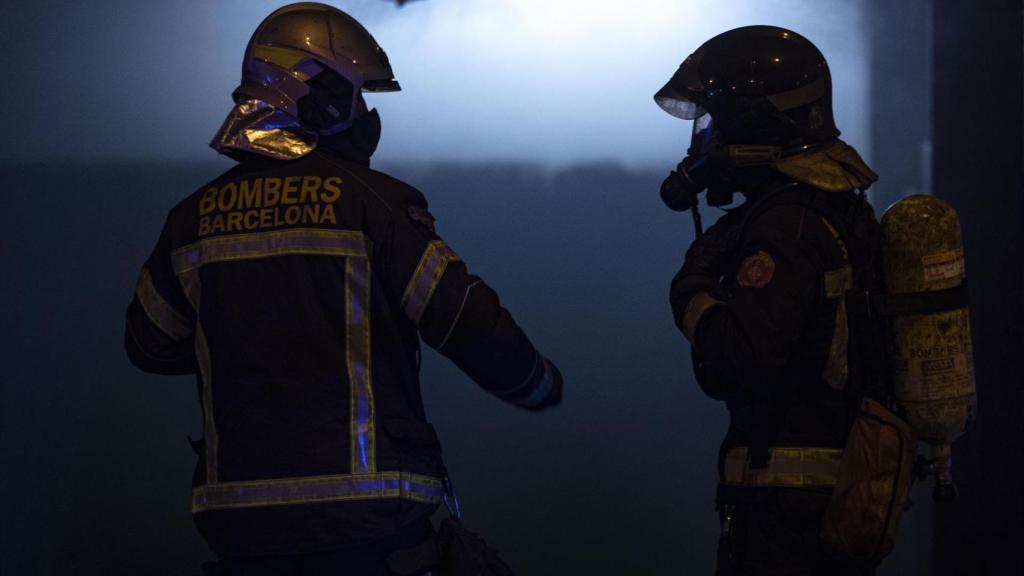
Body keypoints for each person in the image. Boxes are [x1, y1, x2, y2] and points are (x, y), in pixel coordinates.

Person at [124, 3, 562, 574]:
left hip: (241, 536)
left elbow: (148, 344)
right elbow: (464, 322)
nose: (365, 115)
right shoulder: (373, 203)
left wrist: (249, 334)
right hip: (371, 529)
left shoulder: (190, 221)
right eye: (357, 96)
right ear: (316, 93)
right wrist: (536, 383)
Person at [655, 26, 886, 575]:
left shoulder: (786, 227)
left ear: (756, 122)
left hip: (787, 524)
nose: (706, 142)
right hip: (814, 514)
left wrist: (690, 289)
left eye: (715, 121)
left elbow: (734, 363)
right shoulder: (826, 211)